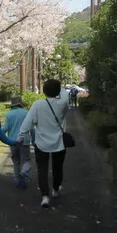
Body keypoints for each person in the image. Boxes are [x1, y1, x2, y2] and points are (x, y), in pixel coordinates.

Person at [18, 78, 70, 208]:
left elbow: (28, 122)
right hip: (59, 143)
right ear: (57, 91)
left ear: (44, 91)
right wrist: (60, 88)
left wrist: (21, 136)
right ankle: (56, 189)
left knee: (42, 169)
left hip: (41, 143)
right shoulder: (62, 103)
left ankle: (45, 196)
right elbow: (65, 93)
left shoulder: (38, 104)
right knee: (58, 167)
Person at [3, 96, 32, 189]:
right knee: (26, 160)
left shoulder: (8, 114)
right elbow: (32, 128)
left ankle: (17, 179)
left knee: (16, 161)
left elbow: (4, 129)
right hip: (25, 140)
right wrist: (34, 139)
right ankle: (24, 173)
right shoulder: (26, 113)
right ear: (20, 104)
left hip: (13, 141)